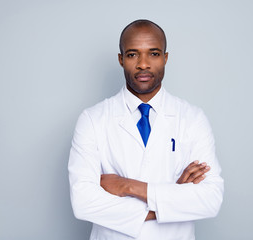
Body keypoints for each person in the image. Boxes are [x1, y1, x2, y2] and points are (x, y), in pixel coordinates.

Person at [68, 19, 224, 240]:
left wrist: (127, 186)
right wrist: (174, 198)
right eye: (132, 54)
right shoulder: (92, 119)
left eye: (153, 54)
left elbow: (210, 199)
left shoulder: (192, 118)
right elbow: (83, 202)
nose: (143, 64)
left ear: (165, 58)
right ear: (121, 60)